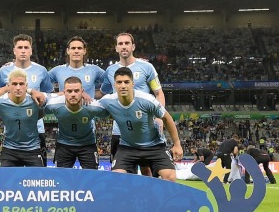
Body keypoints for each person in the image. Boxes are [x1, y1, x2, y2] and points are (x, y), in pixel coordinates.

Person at [98, 67, 182, 182]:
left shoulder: (147, 100)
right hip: (127, 147)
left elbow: (167, 118)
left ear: (133, 84)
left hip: (154, 146)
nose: (123, 85)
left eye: (126, 82)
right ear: (115, 85)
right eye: (119, 82)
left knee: (170, 177)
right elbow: (91, 108)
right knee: (117, 178)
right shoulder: (107, 101)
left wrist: (177, 144)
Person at [101, 32, 165, 176]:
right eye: (120, 44)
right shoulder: (110, 71)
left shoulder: (147, 67)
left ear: (133, 46)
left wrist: (159, 117)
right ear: (116, 48)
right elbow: (104, 93)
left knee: (147, 171)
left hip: (145, 130)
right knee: (121, 174)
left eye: (127, 43)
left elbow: (159, 93)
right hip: (120, 131)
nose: (124, 46)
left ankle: (148, 199)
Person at [0, 34, 53, 164]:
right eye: (20, 47)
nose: (23, 50)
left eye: (26, 47)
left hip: (37, 131)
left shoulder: (41, 70)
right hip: (12, 133)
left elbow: (47, 96)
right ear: (14, 50)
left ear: (31, 50)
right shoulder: (4, 71)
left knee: (38, 177)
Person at [44, 76, 107, 169]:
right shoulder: (53, 105)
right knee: (61, 179)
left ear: (82, 92)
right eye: (69, 91)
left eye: (76, 91)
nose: (73, 94)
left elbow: (109, 113)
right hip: (64, 144)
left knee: (92, 179)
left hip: (87, 144)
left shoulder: (93, 106)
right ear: (64, 92)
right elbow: (41, 108)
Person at [0, 69, 44, 167]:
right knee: (3, 180)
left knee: (38, 181)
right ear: (8, 86)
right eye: (14, 84)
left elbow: (56, 98)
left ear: (27, 86)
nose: (18, 87)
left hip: (32, 149)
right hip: (9, 150)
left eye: (21, 84)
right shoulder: (0, 102)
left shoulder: (36, 101)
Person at [48, 36, 105, 101]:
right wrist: (61, 94)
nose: (76, 51)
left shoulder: (94, 70)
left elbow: (111, 83)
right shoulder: (57, 71)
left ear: (84, 51)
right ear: (68, 51)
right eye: (73, 48)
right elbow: (41, 85)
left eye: (79, 48)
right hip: (65, 109)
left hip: (88, 110)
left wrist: (100, 93)